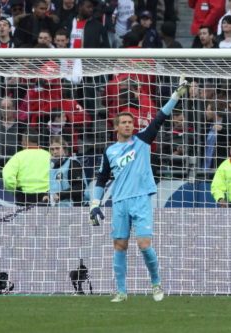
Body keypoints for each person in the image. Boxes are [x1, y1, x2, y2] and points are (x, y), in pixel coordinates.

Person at [89, 75, 191, 302]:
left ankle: (156, 284)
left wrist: (175, 95)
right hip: (119, 202)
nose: (128, 125)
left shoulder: (143, 140)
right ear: (116, 127)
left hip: (141, 199)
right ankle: (122, 292)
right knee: (119, 245)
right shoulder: (110, 151)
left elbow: (160, 118)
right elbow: (102, 178)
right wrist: (94, 204)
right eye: (123, 122)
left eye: (130, 122)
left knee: (144, 244)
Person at [2, 128, 51, 206]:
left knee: (25, 218)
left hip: (25, 196)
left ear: (25, 141)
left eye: (22, 141)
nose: (21, 143)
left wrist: (14, 191)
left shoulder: (18, 156)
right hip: (46, 197)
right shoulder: (48, 155)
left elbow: (8, 177)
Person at [44, 136, 88, 207]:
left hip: (73, 207)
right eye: (52, 149)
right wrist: (46, 195)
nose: (55, 152)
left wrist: (61, 195)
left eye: (57, 148)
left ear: (64, 148)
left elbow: (80, 187)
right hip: (56, 208)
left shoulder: (73, 163)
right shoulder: (52, 165)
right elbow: (52, 186)